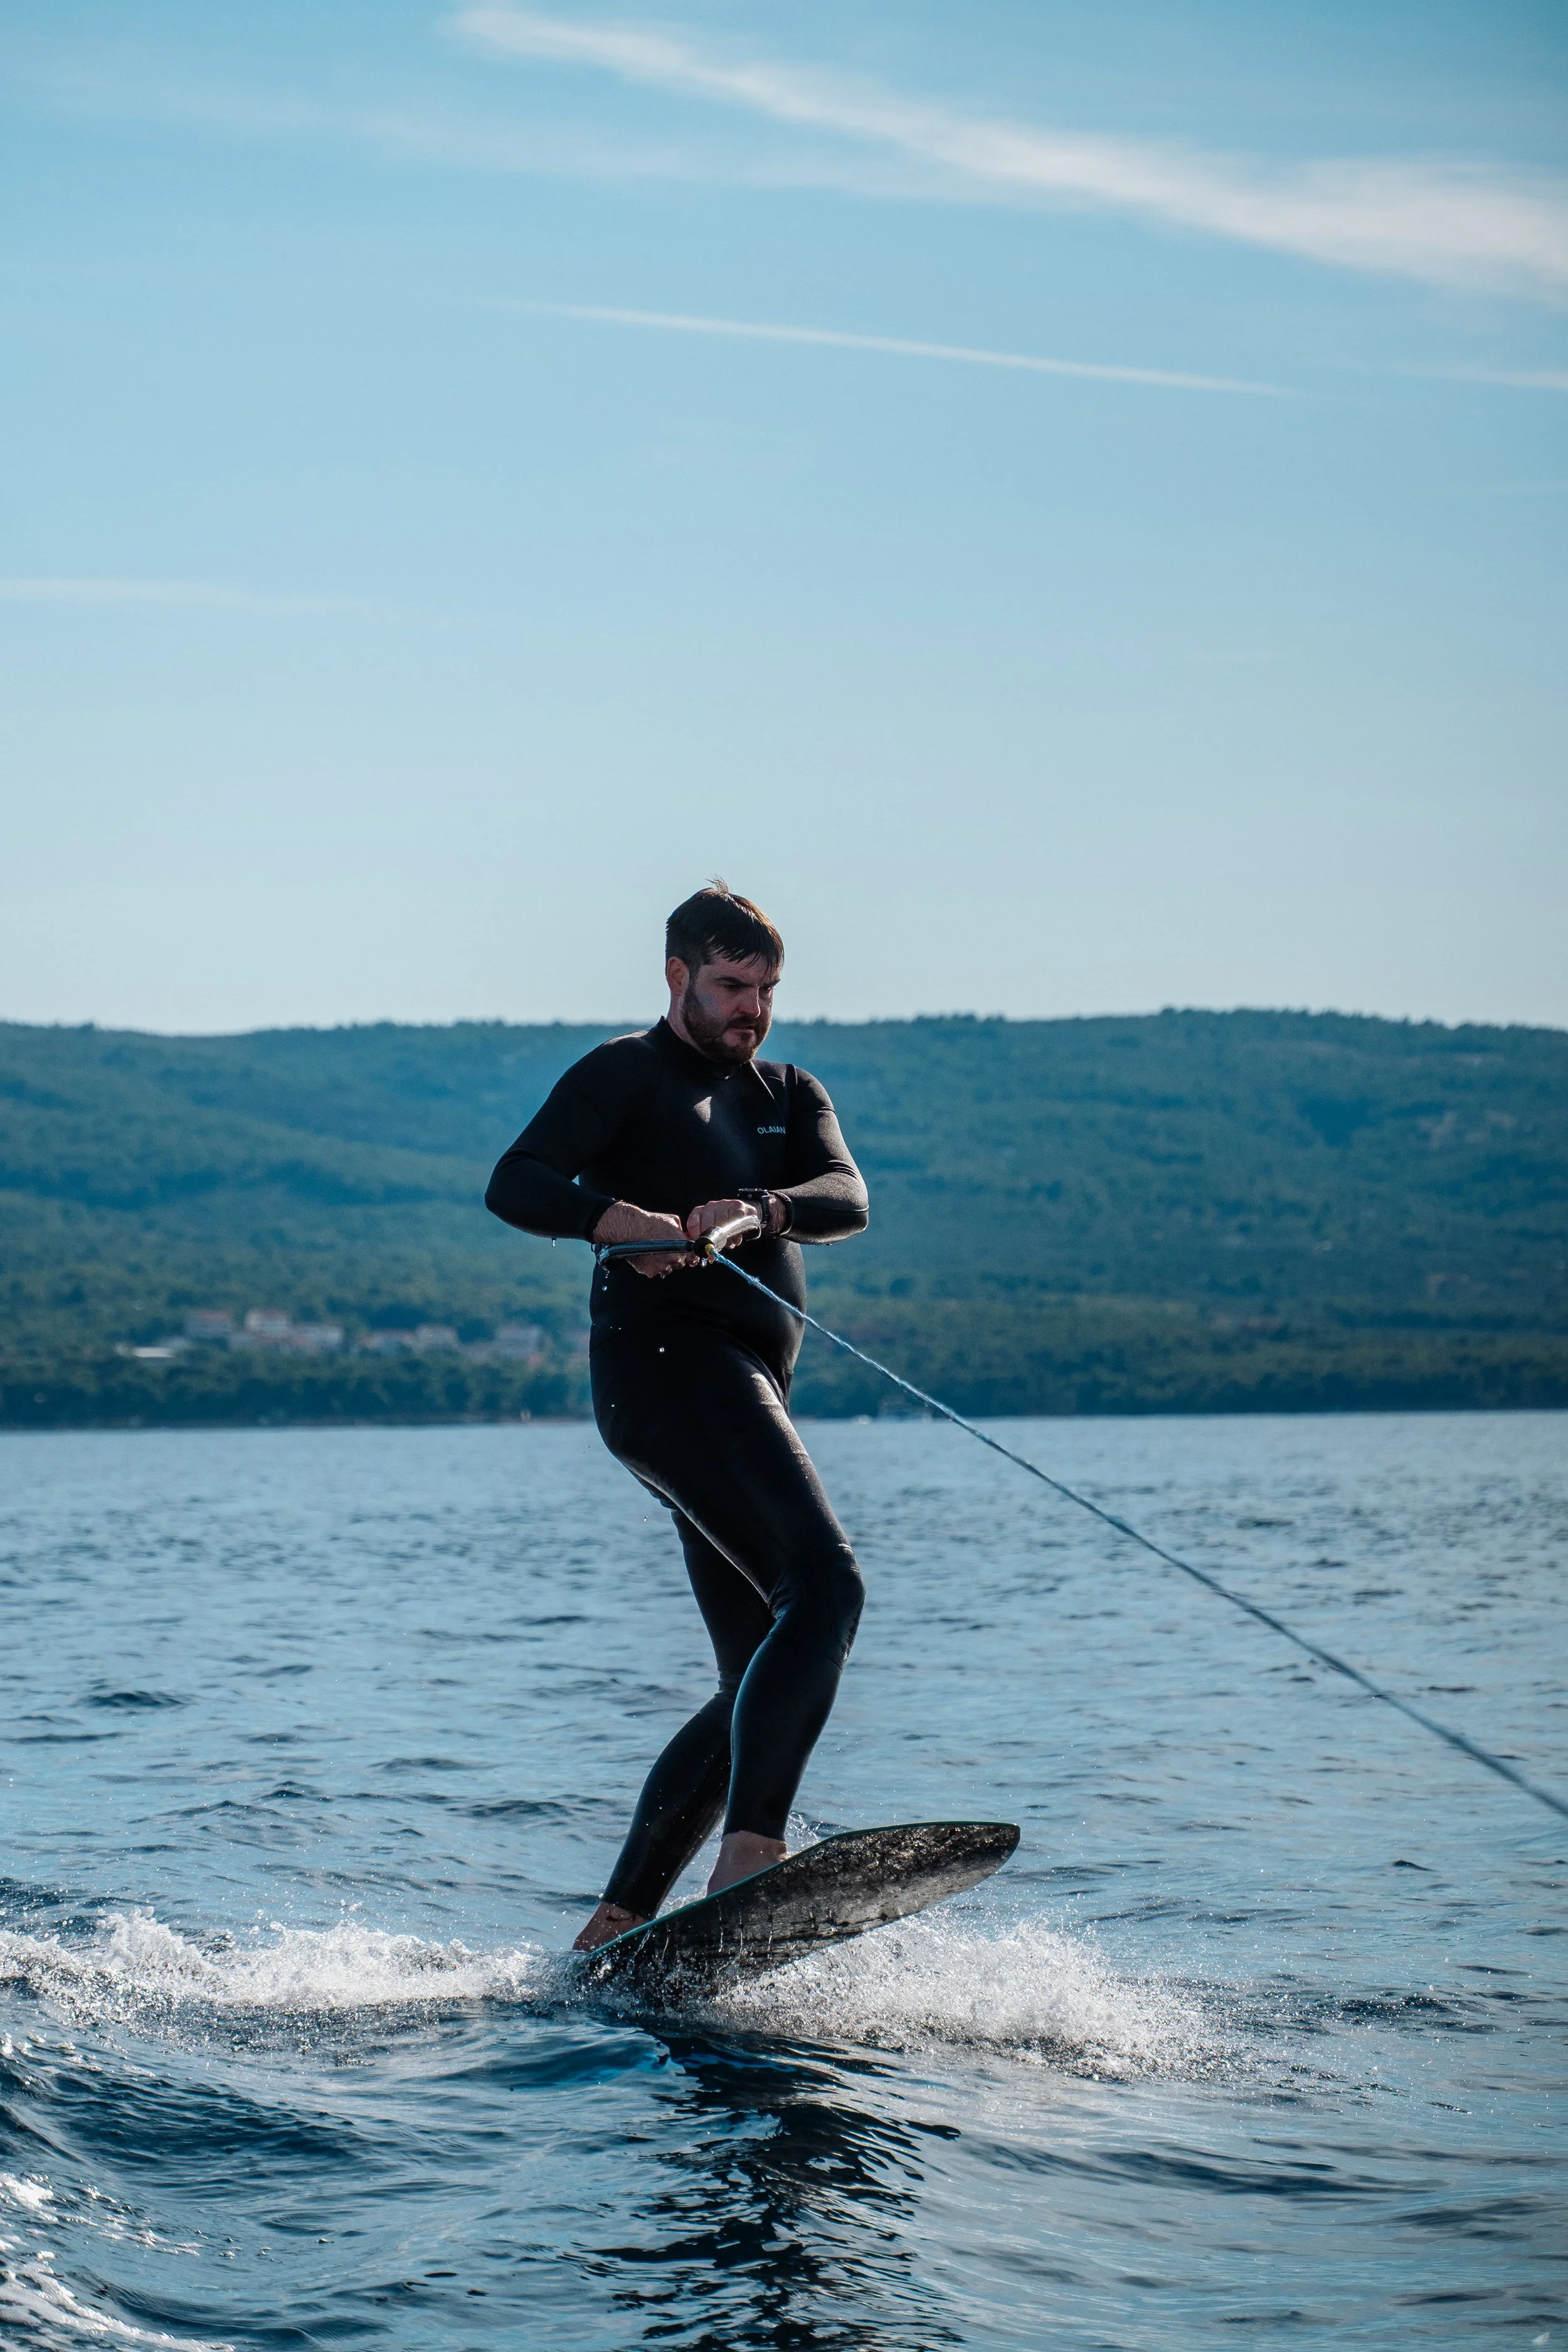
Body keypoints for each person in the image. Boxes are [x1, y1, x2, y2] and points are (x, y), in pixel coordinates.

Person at [485, 884, 870, 1951]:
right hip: (666, 1374)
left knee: (757, 1673)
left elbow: (848, 1193)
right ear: (678, 976)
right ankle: (752, 1855)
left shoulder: (787, 1093)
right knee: (828, 1585)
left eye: (766, 989)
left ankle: (615, 1928)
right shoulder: (625, 1074)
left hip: (741, 1382)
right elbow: (513, 1182)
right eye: (731, 984)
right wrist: (614, 1217)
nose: (751, 1008)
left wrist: (765, 1209)